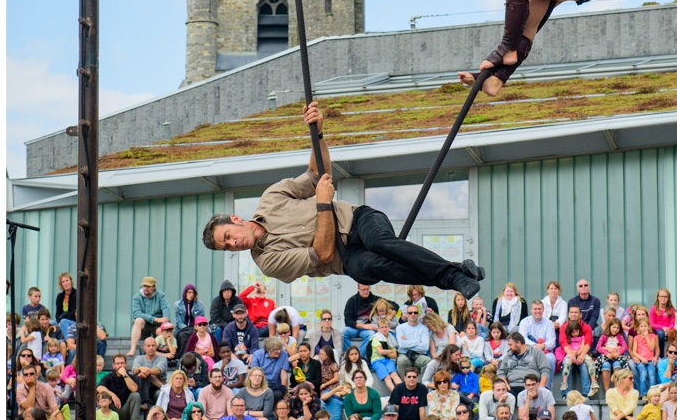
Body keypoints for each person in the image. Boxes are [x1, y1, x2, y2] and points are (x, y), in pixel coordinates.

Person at [202, 102, 485, 293]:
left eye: (228, 236)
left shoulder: (272, 197)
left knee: (380, 242)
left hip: (358, 219)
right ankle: (456, 272)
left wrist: (319, 133)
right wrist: (323, 204)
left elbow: (315, 173)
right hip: (345, 258)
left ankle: (453, 275)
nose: (233, 245)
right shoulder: (269, 262)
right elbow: (323, 254)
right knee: (373, 266)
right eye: (227, 248)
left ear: (236, 220)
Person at [130, 277, 172, 355]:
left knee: (162, 329)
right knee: (138, 320)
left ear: (154, 287)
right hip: (145, 324)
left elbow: (166, 312)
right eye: (144, 286)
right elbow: (136, 313)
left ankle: (162, 354)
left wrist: (164, 322)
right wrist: (154, 319)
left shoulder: (161, 296)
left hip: (157, 325)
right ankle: (132, 350)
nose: (146, 288)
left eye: (148, 286)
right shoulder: (137, 298)